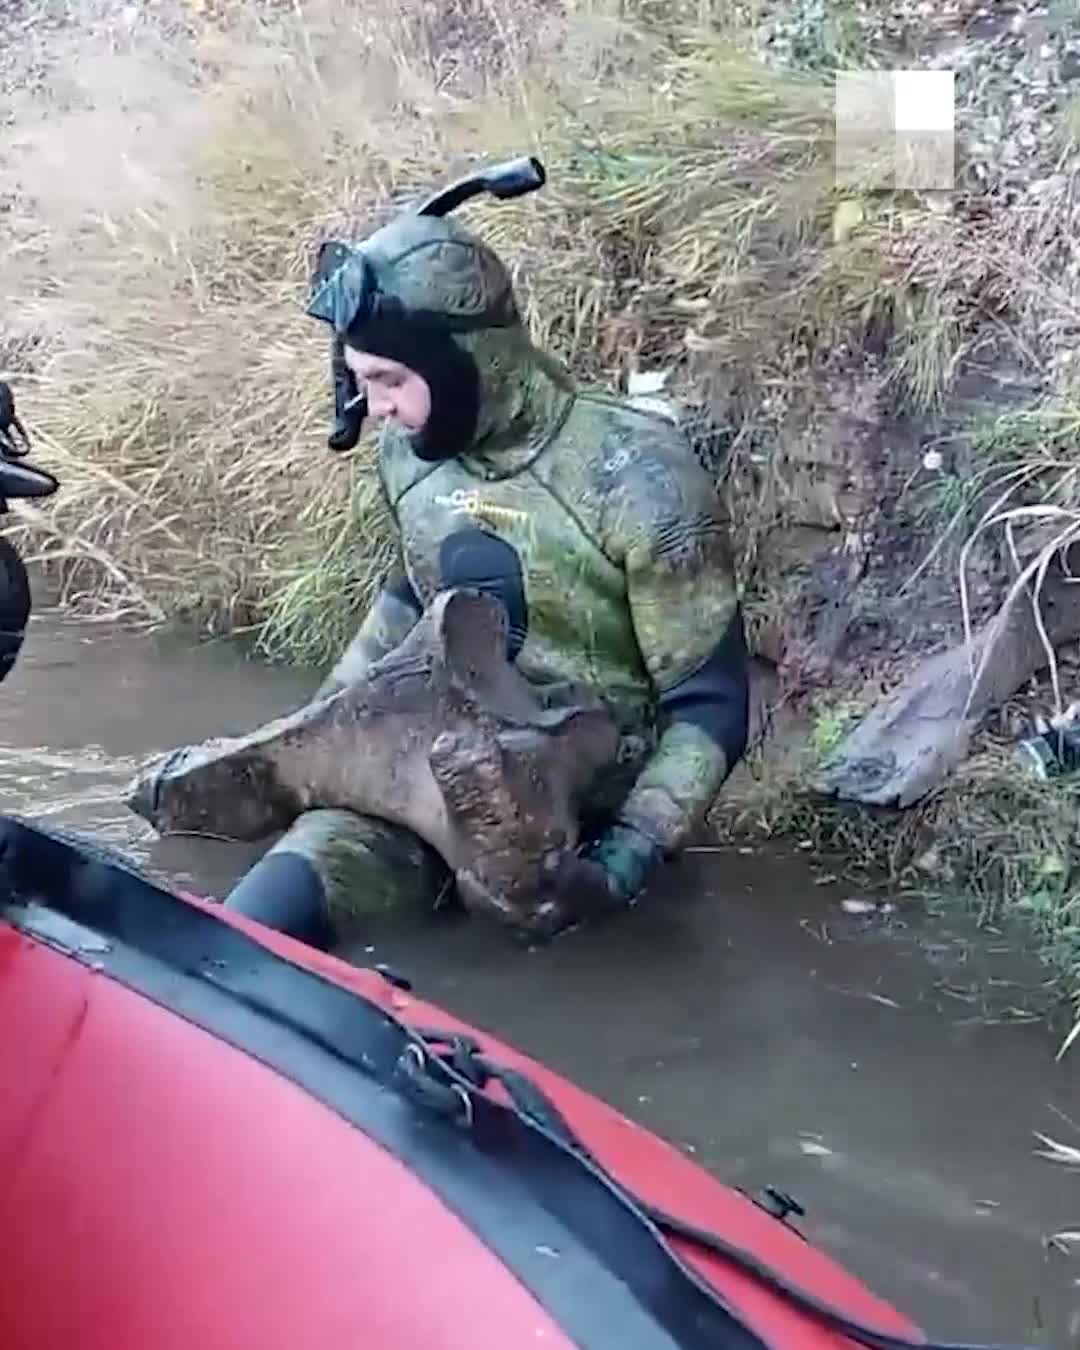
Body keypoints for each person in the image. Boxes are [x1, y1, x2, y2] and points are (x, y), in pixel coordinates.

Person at [224, 205, 750, 943]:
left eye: (389, 379)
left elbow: (709, 708)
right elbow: (410, 602)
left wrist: (619, 868)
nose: (373, 408)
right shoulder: (408, 459)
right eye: (358, 380)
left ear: (467, 360)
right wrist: (306, 747)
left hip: (575, 830)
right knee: (260, 921)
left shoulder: (637, 477)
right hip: (423, 776)